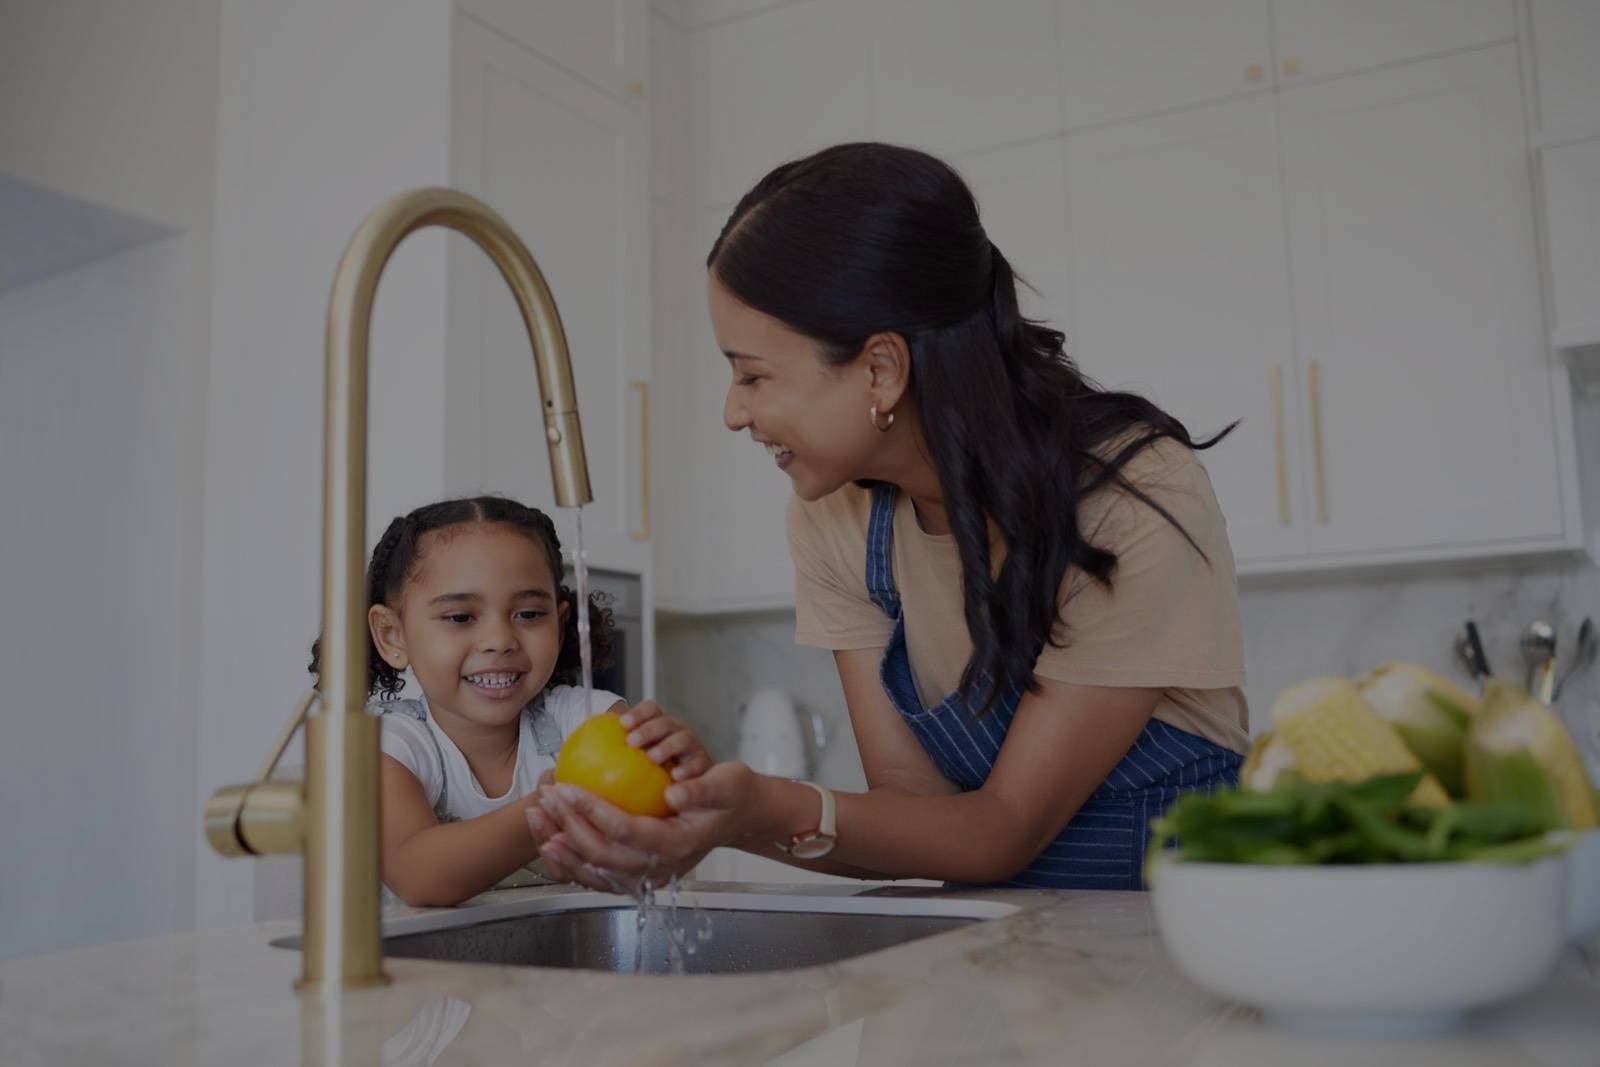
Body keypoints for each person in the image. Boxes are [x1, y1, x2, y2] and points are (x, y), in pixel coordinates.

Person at [529, 142, 1248, 891]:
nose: (733, 411)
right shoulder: (835, 518)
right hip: (996, 954)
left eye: (752, 374)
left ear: (880, 368)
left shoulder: (1131, 495)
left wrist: (757, 809)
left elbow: (998, 831)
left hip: (1169, 953)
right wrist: (716, 811)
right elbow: (914, 819)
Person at [307, 495, 708, 905]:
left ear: (561, 621)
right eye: (460, 617)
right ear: (393, 636)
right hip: (427, 968)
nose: (500, 641)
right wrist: (552, 806)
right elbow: (418, 875)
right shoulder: (390, 746)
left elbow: (659, 840)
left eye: (529, 614)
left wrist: (681, 775)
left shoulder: (588, 718)